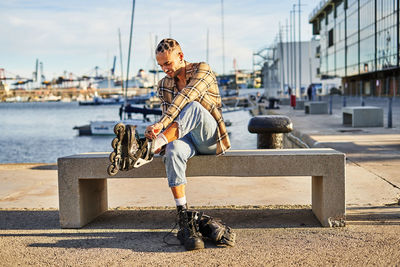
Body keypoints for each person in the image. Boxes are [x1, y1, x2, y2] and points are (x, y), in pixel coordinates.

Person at [108, 38, 235, 251]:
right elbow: (169, 118)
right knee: (174, 150)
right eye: (160, 66)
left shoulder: (202, 70)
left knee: (193, 107)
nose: (164, 69)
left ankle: (147, 150)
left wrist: (161, 127)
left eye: (167, 64)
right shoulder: (163, 85)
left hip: (210, 138)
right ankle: (183, 215)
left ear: (181, 56)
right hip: (185, 140)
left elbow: (185, 98)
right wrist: (155, 129)